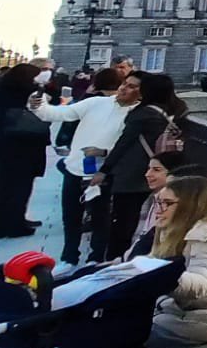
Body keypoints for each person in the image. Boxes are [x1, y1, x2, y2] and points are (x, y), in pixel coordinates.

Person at [93, 175, 207, 348]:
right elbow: (149, 262)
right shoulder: (174, 226)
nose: (159, 209)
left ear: (189, 205)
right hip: (173, 311)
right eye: (158, 202)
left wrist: (160, 276)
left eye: (167, 203)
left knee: (104, 343)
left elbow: (201, 283)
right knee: (102, 330)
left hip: (198, 320)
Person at [29, 66, 133, 263]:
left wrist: (105, 152)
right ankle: (69, 258)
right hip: (76, 167)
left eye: (131, 86)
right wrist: (38, 104)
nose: (123, 89)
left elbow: (129, 145)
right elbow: (58, 114)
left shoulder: (136, 113)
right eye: (124, 84)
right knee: (71, 216)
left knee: (100, 217)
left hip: (104, 171)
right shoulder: (96, 102)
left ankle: (96, 258)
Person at [95, 72, 187, 259]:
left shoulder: (142, 114)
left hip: (131, 173)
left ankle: (115, 258)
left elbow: (123, 144)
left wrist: (104, 169)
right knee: (153, 215)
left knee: (123, 221)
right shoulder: (176, 110)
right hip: (158, 169)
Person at [0, 65, 52, 238]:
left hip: (1, 144)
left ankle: (3, 224)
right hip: (24, 144)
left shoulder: (0, 92)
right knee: (20, 186)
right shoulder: (28, 94)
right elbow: (43, 113)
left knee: (4, 185)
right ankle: (15, 224)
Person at [122, 151, 204, 259]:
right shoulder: (152, 200)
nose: (148, 174)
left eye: (156, 170)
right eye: (149, 169)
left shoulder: (201, 233)